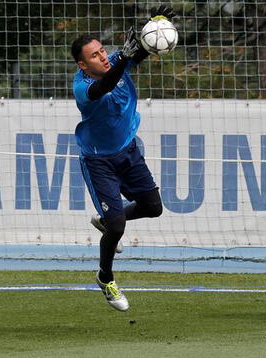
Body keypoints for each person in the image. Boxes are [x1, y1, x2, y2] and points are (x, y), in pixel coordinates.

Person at [71, 6, 176, 311]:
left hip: (128, 151)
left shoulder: (118, 61)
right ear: (82, 64)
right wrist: (125, 58)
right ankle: (105, 278)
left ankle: (108, 218)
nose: (102, 56)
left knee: (153, 208)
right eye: (94, 55)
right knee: (117, 228)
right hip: (98, 161)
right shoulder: (82, 86)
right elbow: (103, 87)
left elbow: (142, 50)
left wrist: (156, 24)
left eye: (102, 50)